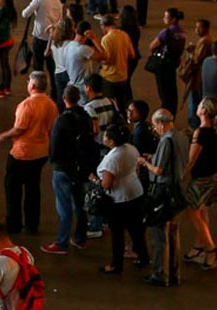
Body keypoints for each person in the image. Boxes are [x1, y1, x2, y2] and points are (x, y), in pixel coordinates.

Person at [0, 71, 58, 234]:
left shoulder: (26, 105)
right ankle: (32, 225)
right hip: (41, 152)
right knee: (33, 190)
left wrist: (3, 136)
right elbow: (51, 128)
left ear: (32, 86)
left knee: (13, 190)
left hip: (22, 152)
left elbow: (19, 129)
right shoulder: (51, 104)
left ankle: (14, 225)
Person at [138, 110, 190, 287]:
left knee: (160, 235)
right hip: (179, 190)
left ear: (161, 124)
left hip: (163, 192)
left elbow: (159, 170)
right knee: (174, 233)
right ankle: (174, 273)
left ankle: (160, 273)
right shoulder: (182, 137)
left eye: (155, 125)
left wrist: (145, 163)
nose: (154, 129)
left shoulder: (165, 140)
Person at [92, 124, 150, 274]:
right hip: (135, 192)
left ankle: (116, 265)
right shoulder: (131, 148)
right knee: (136, 229)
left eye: (106, 136)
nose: (103, 138)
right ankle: (143, 257)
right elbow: (137, 167)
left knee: (117, 233)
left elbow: (107, 183)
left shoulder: (112, 159)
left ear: (111, 141)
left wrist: (95, 180)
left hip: (119, 199)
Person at [41, 84, 91, 255]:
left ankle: (61, 242)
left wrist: (54, 161)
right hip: (80, 167)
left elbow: (54, 146)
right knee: (80, 203)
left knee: (64, 206)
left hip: (63, 168)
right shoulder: (85, 116)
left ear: (64, 99)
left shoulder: (61, 120)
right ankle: (80, 237)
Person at [183, 98, 217, 270]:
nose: (197, 107)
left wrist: (181, 176)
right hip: (212, 177)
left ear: (204, 110)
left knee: (192, 211)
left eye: (199, 105)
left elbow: (191, 160)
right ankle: (199, 246)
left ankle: (211, 249)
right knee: (202, 210)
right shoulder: (213, 131)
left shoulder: (200, 133)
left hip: (201, 179)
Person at [22, 0, 63, 102]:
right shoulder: (58, 2)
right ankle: (55, 94)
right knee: (52, 68)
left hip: (39, 37)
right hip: (53, 39)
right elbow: (60, 20)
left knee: (38, 67)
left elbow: (25, 14)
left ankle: (38, 93)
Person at [149, 8, 187, 114]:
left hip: (163, 64)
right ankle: (172, 113)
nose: (164, 19)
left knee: (164, 92)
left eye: (166, 17)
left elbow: (152, 46)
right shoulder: (182, 32)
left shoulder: (166, 32)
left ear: (173, 19)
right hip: (174, 63)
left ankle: (165, 114)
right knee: (172, 91)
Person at [180, 19, 213, 131]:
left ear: (205, 28)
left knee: (194, 103)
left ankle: (193, 127)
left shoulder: (205, 41)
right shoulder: (206, 40)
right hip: (201, 78)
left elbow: (196, 60)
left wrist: (191, 53)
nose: (196, 30)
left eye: (199, 27)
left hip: (198, 80)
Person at [98, 15, 136, 105]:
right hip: (123, 76)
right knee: (121, 102)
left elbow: (106, 60)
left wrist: (98, 59)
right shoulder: (124, 35)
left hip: (110, 77)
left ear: (103, 26)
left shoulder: (106, 39)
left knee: (109, 103)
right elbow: (132, 55)